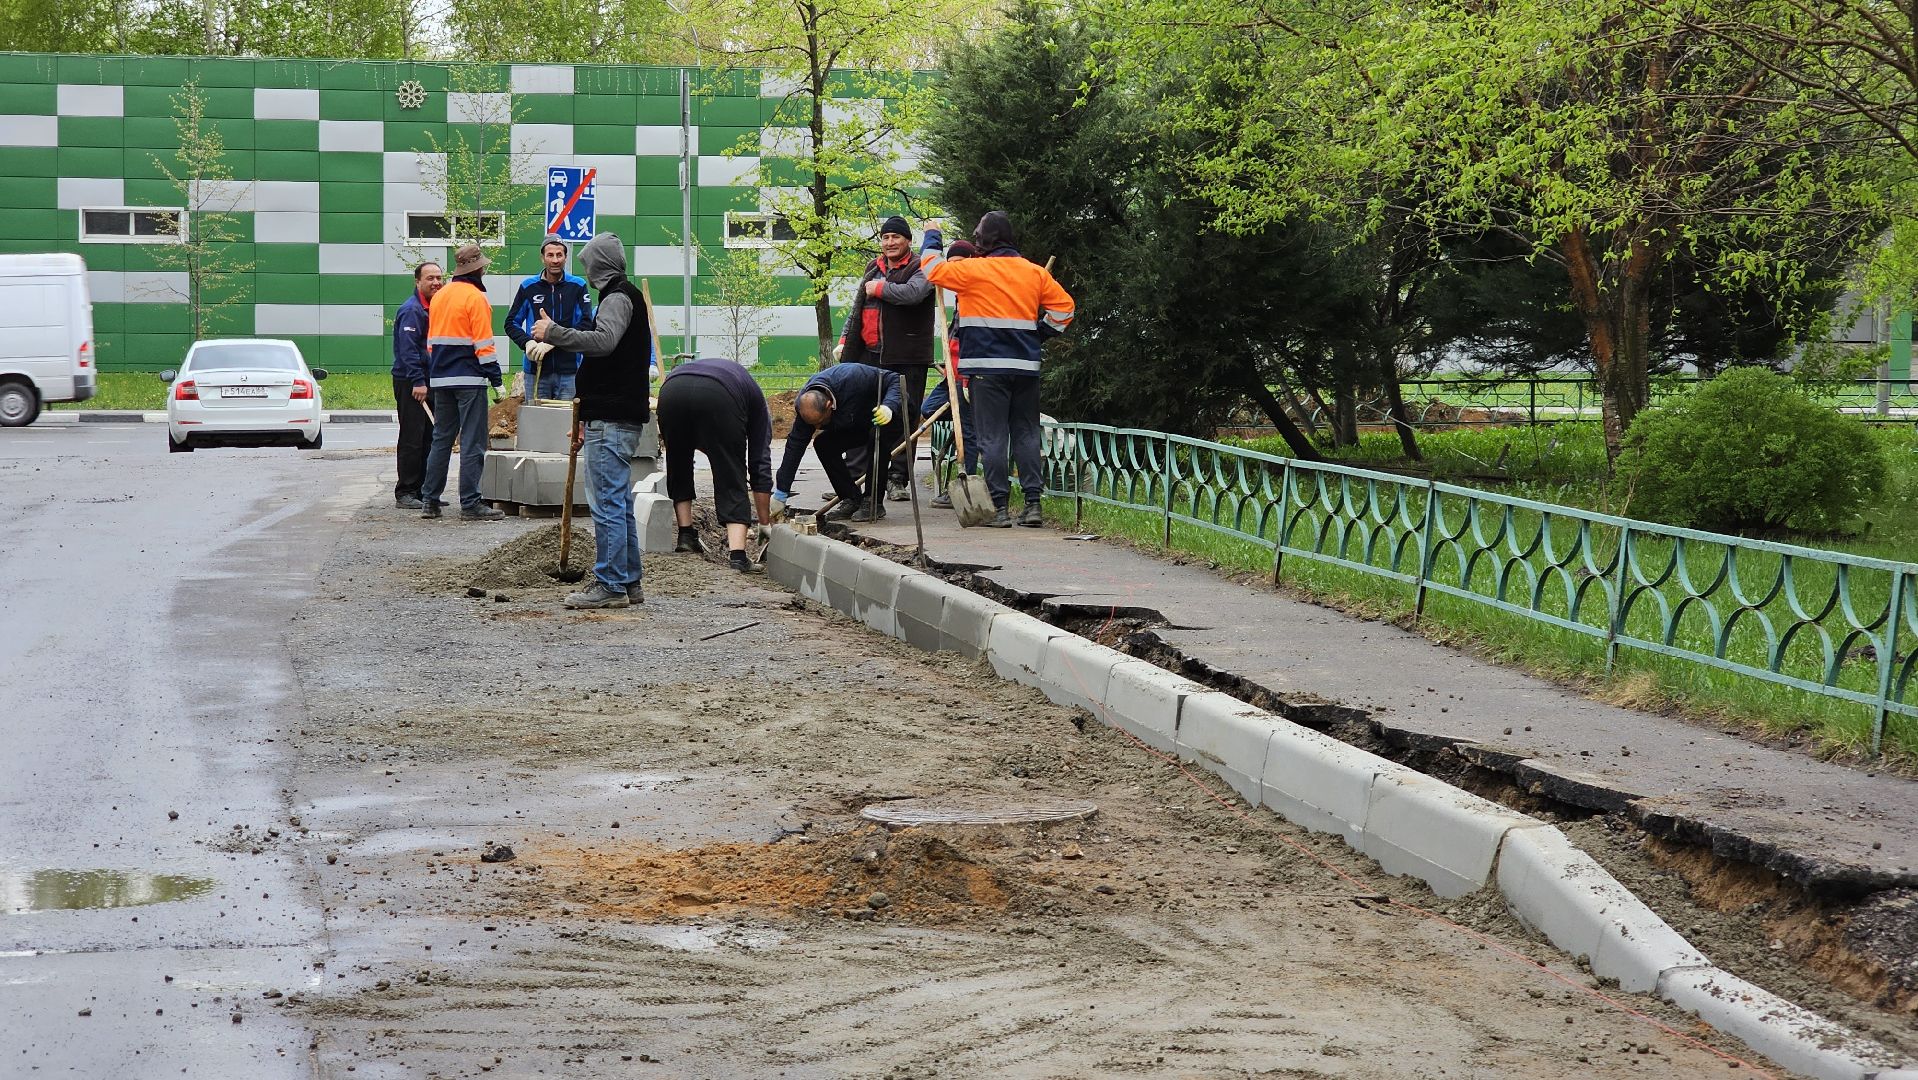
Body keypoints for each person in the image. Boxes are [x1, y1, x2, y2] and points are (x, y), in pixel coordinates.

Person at [922, 212, 1074, 528]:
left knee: (992, 437)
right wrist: (1039, 334)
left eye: (978, 235)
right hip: (1025, 367)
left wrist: (932, 235)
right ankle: (1033, 505)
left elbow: (932, 269)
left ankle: (1000, 508)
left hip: (985, 370)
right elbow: (1065, 309)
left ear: (986, 240)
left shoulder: (971, 271)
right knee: (1027, 433)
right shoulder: (1034, 273)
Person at [530, 232, 652, 609]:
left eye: (587, 262)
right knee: (618, 502)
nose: (584, 269)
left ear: (599, 264)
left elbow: (603, 342)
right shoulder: (621, 296)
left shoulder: (617, 297)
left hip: (612, 418)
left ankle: (611, 585)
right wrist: (584, 414)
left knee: (608, 504)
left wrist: (555, 333)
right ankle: (628, 582)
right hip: (612, 415)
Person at [835, 215, 935, 503]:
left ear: (908, 241)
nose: (890, 243)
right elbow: (857, 307)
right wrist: (845, 339)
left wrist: (879, 289)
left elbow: (914, 294)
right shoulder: (873, 267)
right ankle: (854, 480)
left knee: (903, 418)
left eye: (896, 237)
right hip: (870, 356)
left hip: (907, 358)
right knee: (860, 414)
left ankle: (897, 480)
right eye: (885, 237)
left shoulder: (921, 267)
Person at [657, 357, 775, 572]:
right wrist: (765, 523)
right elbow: (760, 464)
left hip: (671, 390)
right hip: (719, 396)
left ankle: (685, 536)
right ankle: (738, 556)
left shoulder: (740, 385)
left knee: (678, 461)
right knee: (731, 471)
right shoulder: (758, 407)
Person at [420, 244, 504, 521]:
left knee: (441, 440)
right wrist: (496, 380)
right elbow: (484, 344)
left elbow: (431, 343)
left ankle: (429, 501)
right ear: (478, 269)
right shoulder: (476, 298)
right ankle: (470, 504)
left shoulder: (440, 296)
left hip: (441, 378)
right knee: (472, 442)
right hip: (469, 379)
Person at [771, 362, 902, 523]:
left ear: (829, 405)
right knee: (824, 444)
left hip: (888, 414)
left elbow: (894, 379)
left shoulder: (853, 377)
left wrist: (889, 406)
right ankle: (851, 499)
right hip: (857, 420)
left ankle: (873, 503)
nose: (817, 427)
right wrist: (781, 492)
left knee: (877, 436)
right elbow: (795, 447)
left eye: (820, 422)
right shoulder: (807, 406)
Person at [505, 237, 592, 402]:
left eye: (559, 255)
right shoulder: (528, 287)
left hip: (569, 370)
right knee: (538, 422)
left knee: (566, 423)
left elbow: (586, 324)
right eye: (550, 255)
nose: (555, 260)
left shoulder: (578, 286)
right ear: (542, 257)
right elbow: (511, 323)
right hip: (536, 369)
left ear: (566, 257)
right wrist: (527, 343)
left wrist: (554, 339)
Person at [390, 259, 442, 509]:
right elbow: (408, 351)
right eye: (430, 278)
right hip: (411, 382)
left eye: (439, 278)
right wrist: (419, 382)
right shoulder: (412, 310)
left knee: (430, 438)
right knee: (412, 438)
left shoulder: (436, 307)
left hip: (429, 382)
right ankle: (406, 492)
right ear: (417, 281)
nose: (435, 282)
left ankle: (423, 491)